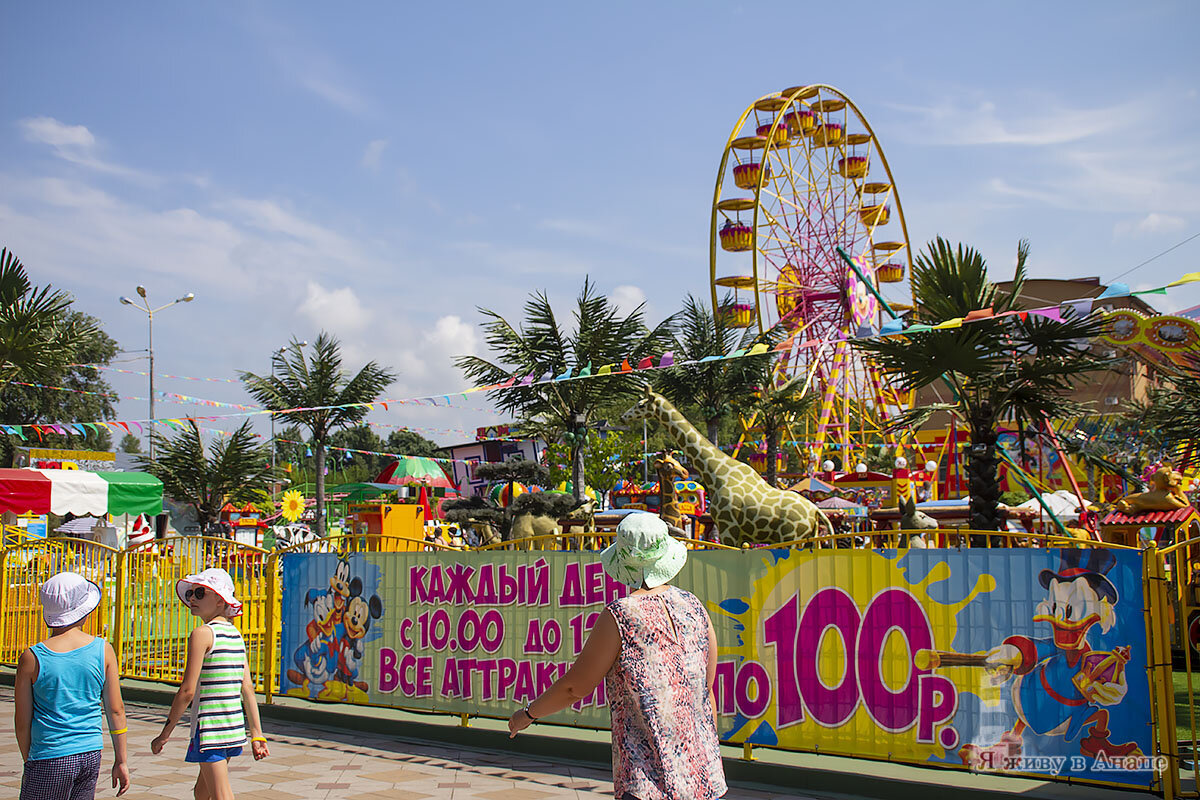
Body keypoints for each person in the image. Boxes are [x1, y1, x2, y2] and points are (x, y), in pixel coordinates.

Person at [508, 512, 727, 800]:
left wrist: (527, 715)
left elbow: (576, 687)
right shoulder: (694, 606)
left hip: (650, 781)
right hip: (706, 775)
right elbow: (706, 691)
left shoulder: (622, 614)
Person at [150, 568, 269, 800]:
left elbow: (187, 691)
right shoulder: (235, 635)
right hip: (232, 728)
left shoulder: (202, 634)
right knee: (201, 792)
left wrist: (165, 734)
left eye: (200, 592)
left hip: (211, 732)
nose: (192, 598)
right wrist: (257, 734)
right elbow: (248, 689)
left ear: (219, 599)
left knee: (221, 795)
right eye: (192, 593)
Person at [14, 571, 130, 799]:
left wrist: (30, 760)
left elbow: (22, 721)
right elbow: (116, 710)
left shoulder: (32, 657)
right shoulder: (103, 650)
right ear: (84, 610)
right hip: (90, 752)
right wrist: (121, 760)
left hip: (49, 753)